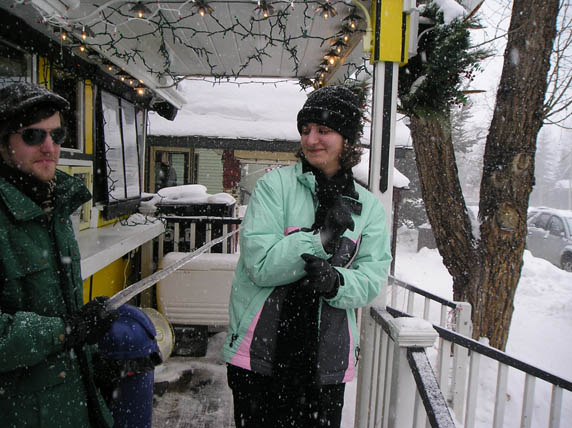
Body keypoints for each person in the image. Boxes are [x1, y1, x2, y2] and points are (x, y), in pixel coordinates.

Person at [222, 85, 392, 427]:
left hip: (325, 365)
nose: (311, 139)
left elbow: (372, 277)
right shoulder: (275, 188)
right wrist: (320, 240)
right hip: (260, 356)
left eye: (323, 130)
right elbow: (260, 266)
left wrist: (336, 282)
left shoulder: (368, 208)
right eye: (305, 129)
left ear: (347, 139)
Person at [0, 82, 119, 427]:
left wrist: (91, 360)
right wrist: (66, 330)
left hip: (69, 404)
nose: (49, 147)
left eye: (57, 134)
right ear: (3, 142)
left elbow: (59, 305)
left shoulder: (55, 206)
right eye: (33, 135)